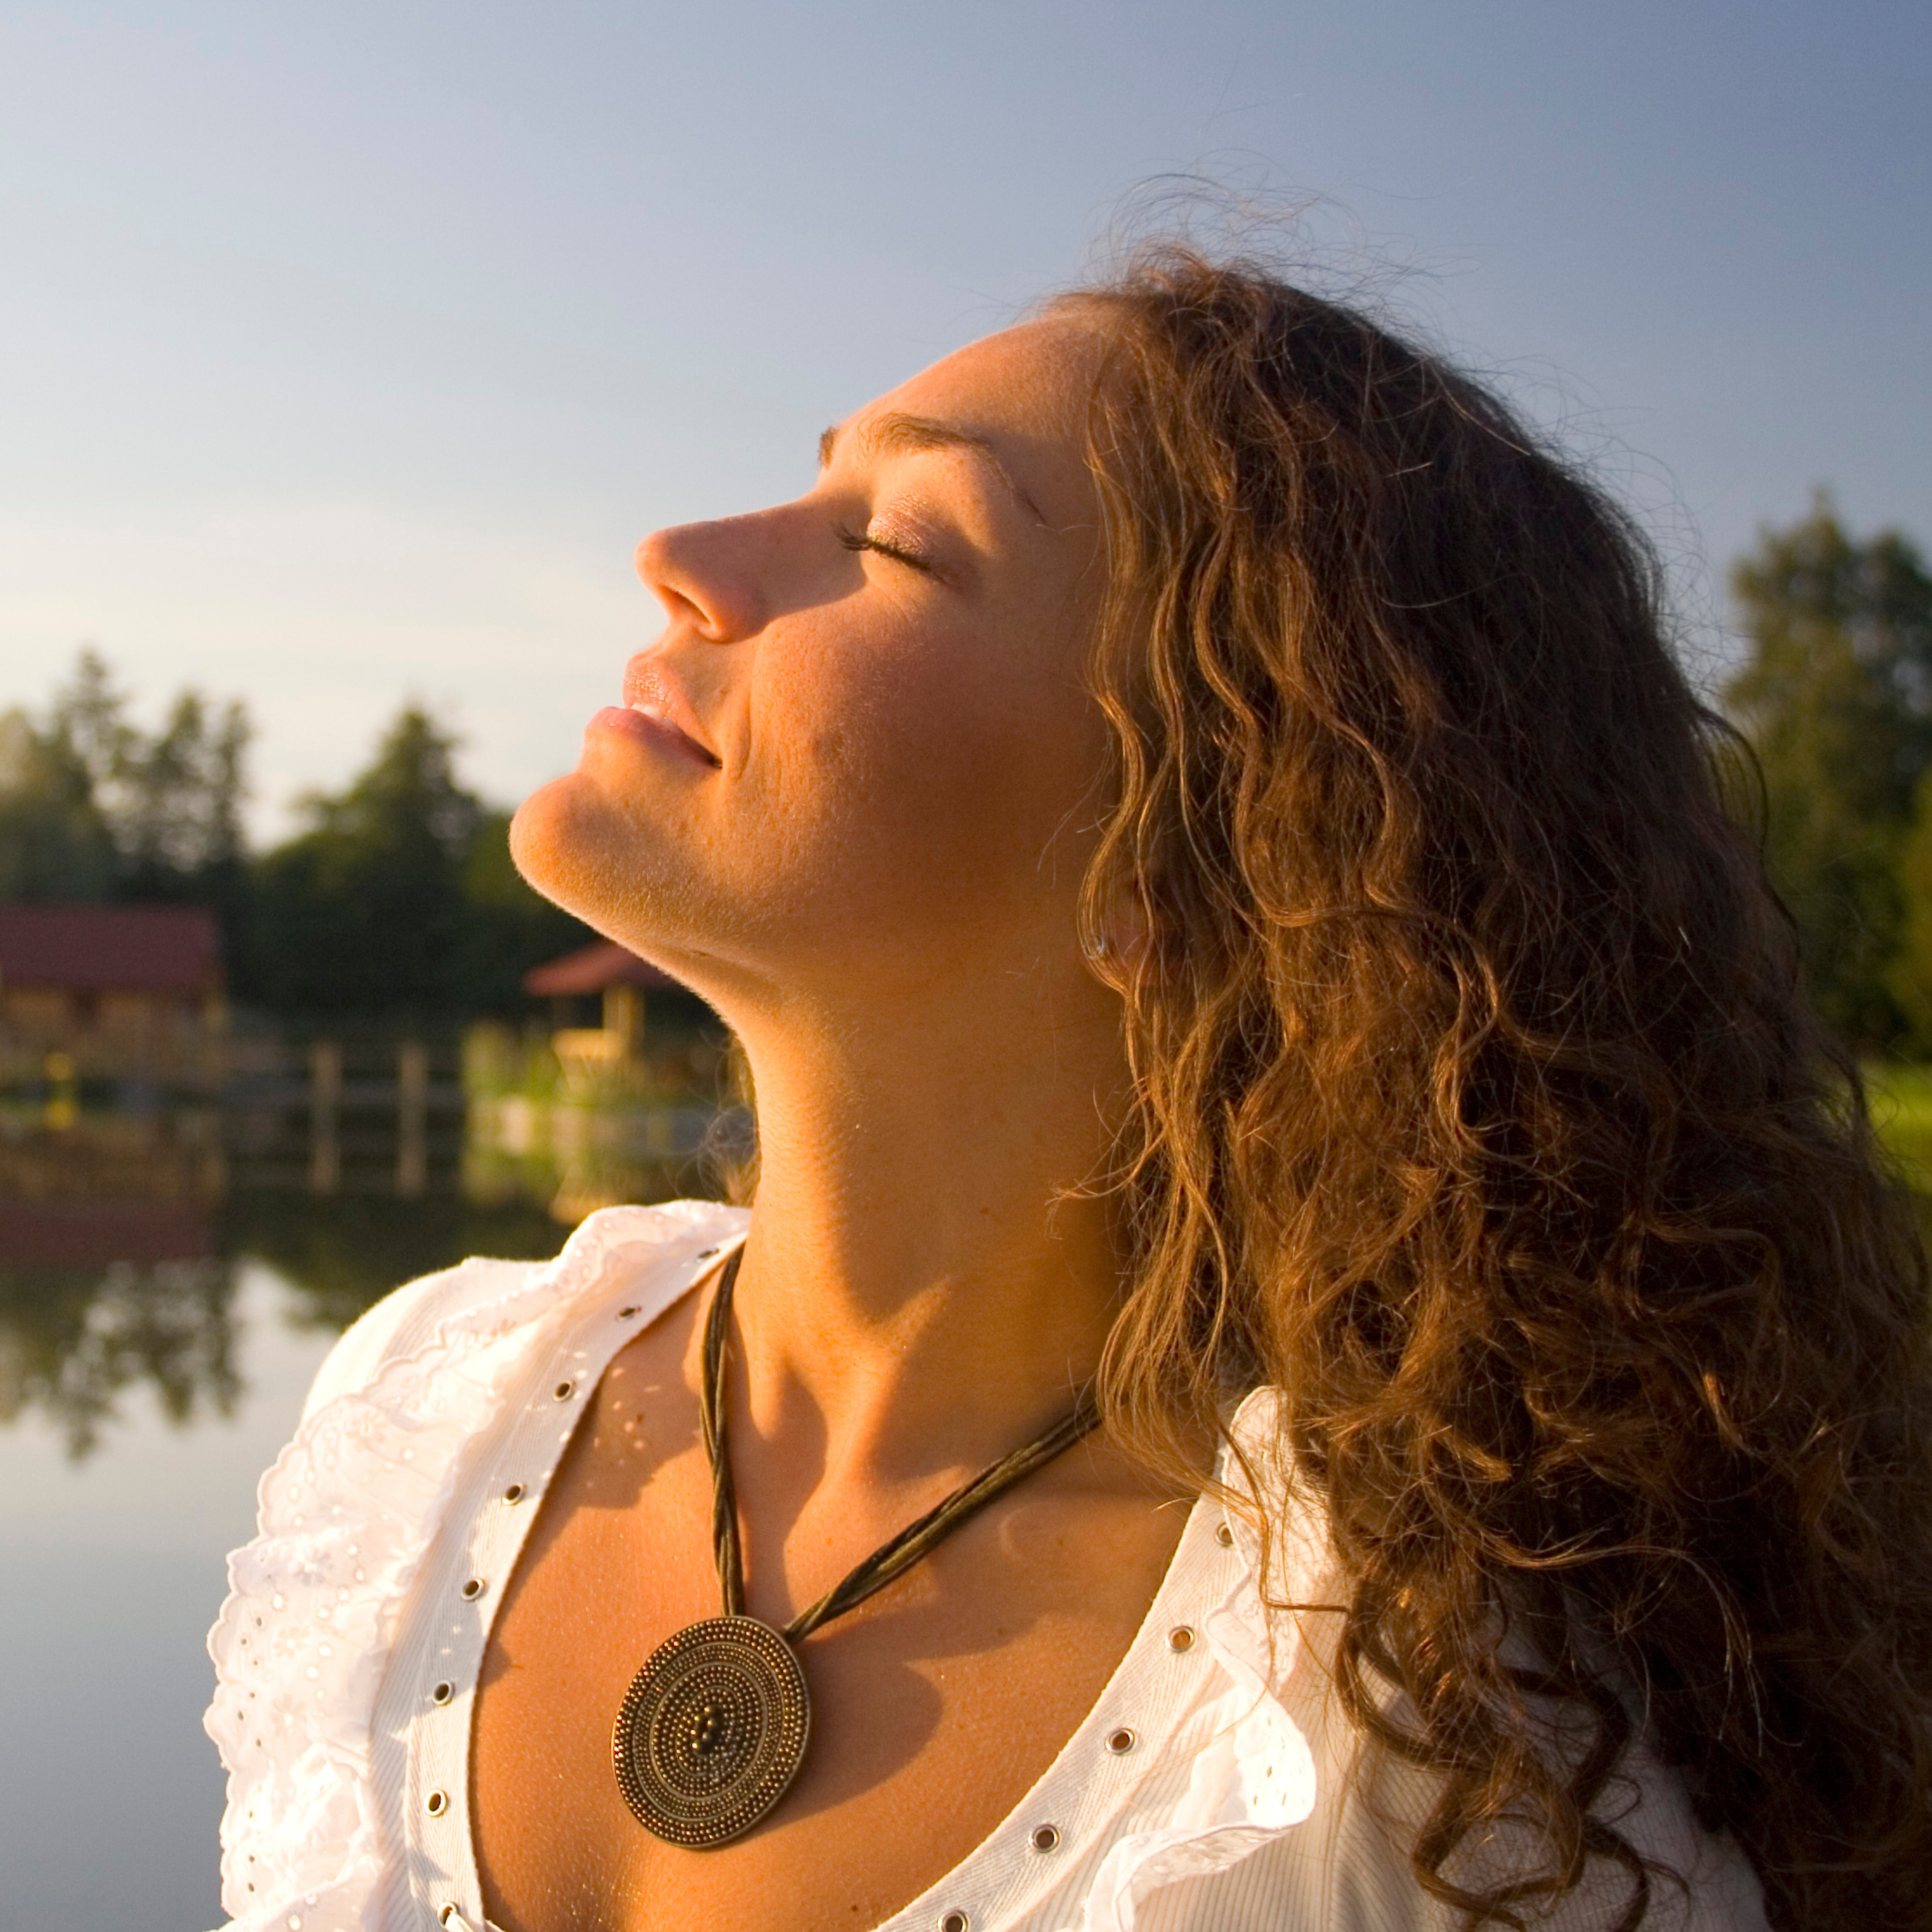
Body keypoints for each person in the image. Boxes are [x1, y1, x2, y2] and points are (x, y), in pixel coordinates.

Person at [206, 248, 1932, 1932]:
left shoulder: (1407, 1773)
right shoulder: (427, 1417)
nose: (676, 555)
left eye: (886, 540)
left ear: (1171, 869)